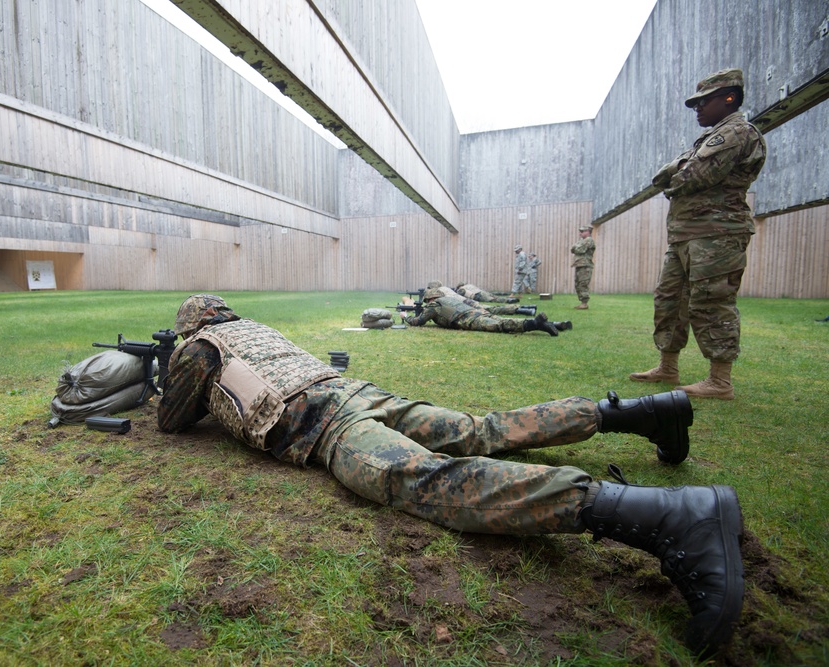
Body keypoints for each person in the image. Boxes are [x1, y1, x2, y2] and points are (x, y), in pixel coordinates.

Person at [157, 294, 745, 659]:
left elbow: (172, 421)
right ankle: (639, 412)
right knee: (480, 429)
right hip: (364, 395)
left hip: (328, 423)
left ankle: (665, 516)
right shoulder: (256, 330)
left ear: (191, 325)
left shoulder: (200, 347)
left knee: (428, 480)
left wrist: (165, 371)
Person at [630, 68, 766, 400]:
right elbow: (668, 176)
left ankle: (720, 380)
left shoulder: (736, 133)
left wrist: (675, 171)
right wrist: (676, 172)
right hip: (686, 236)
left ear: (729, 98)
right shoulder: (710, 137)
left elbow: (688, 177)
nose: (698, 109)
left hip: (716, 235)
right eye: (695, 104)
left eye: (704, 102)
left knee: (711, 302)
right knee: (670, 301)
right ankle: (668, 366)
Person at [404, 288, 564, 336]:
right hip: (475, 312)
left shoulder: (433, 306)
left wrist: (406, 317)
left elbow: (418, 322)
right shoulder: (447, 300)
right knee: (500, 319)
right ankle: (547, 325)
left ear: (429, 299)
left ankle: (533, 323)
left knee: (500, 325)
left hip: (468, 319)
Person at [571, 225, 596, 310]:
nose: (580, 233)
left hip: (585, 265)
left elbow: (580, 250)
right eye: (580, 231)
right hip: (580, 265)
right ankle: (582, 303)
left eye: (582, 231)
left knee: (583, 284)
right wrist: (575, 247)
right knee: (578, 284)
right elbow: (572, 249)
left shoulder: (589, 240)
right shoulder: (582, 241)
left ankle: (584, 303)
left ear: (588, 232)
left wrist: (575, 247)